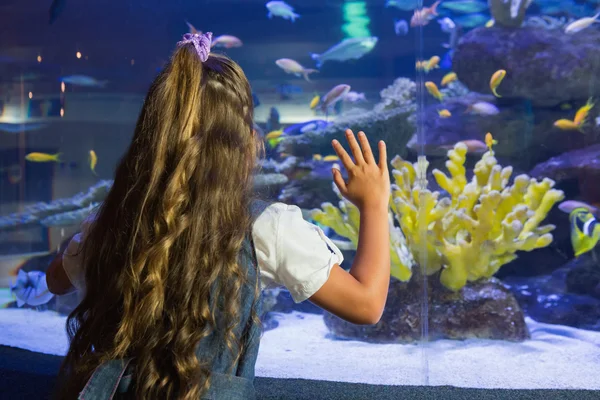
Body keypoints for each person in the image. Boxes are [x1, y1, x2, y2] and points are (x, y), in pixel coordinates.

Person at [46, 32, 390, 400]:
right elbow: (366, 305)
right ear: (244, 140)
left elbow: (55, 281)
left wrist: (95, 235)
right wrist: (373, 205)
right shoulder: (265, 229)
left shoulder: (115, 220)